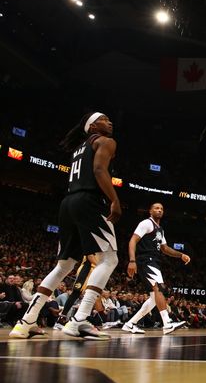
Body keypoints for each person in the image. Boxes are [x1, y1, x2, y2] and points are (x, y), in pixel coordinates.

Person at [10, 112, 121, 340]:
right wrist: (115, 200)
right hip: (88, 202)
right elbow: (100, 171)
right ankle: (79, 320)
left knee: (64, 266)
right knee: (110, 259)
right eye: (104, 119)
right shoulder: (105, 141)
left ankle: (26, 322)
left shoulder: (79, 148)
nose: (110, 122)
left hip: (67, 203)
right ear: (92, 126)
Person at [124, 203, 190, 335]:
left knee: (154, 298)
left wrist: (180, 255)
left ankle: (130, 324)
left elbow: (165, 249)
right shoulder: (146, 223)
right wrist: (132, 260)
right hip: (146, 260)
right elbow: (132, 241)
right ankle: (167, 323)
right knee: (159, 288)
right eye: (156, 208)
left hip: (154, 261)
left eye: (161, 209)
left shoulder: (160, 229)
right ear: (150, 211)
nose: (159, 210)